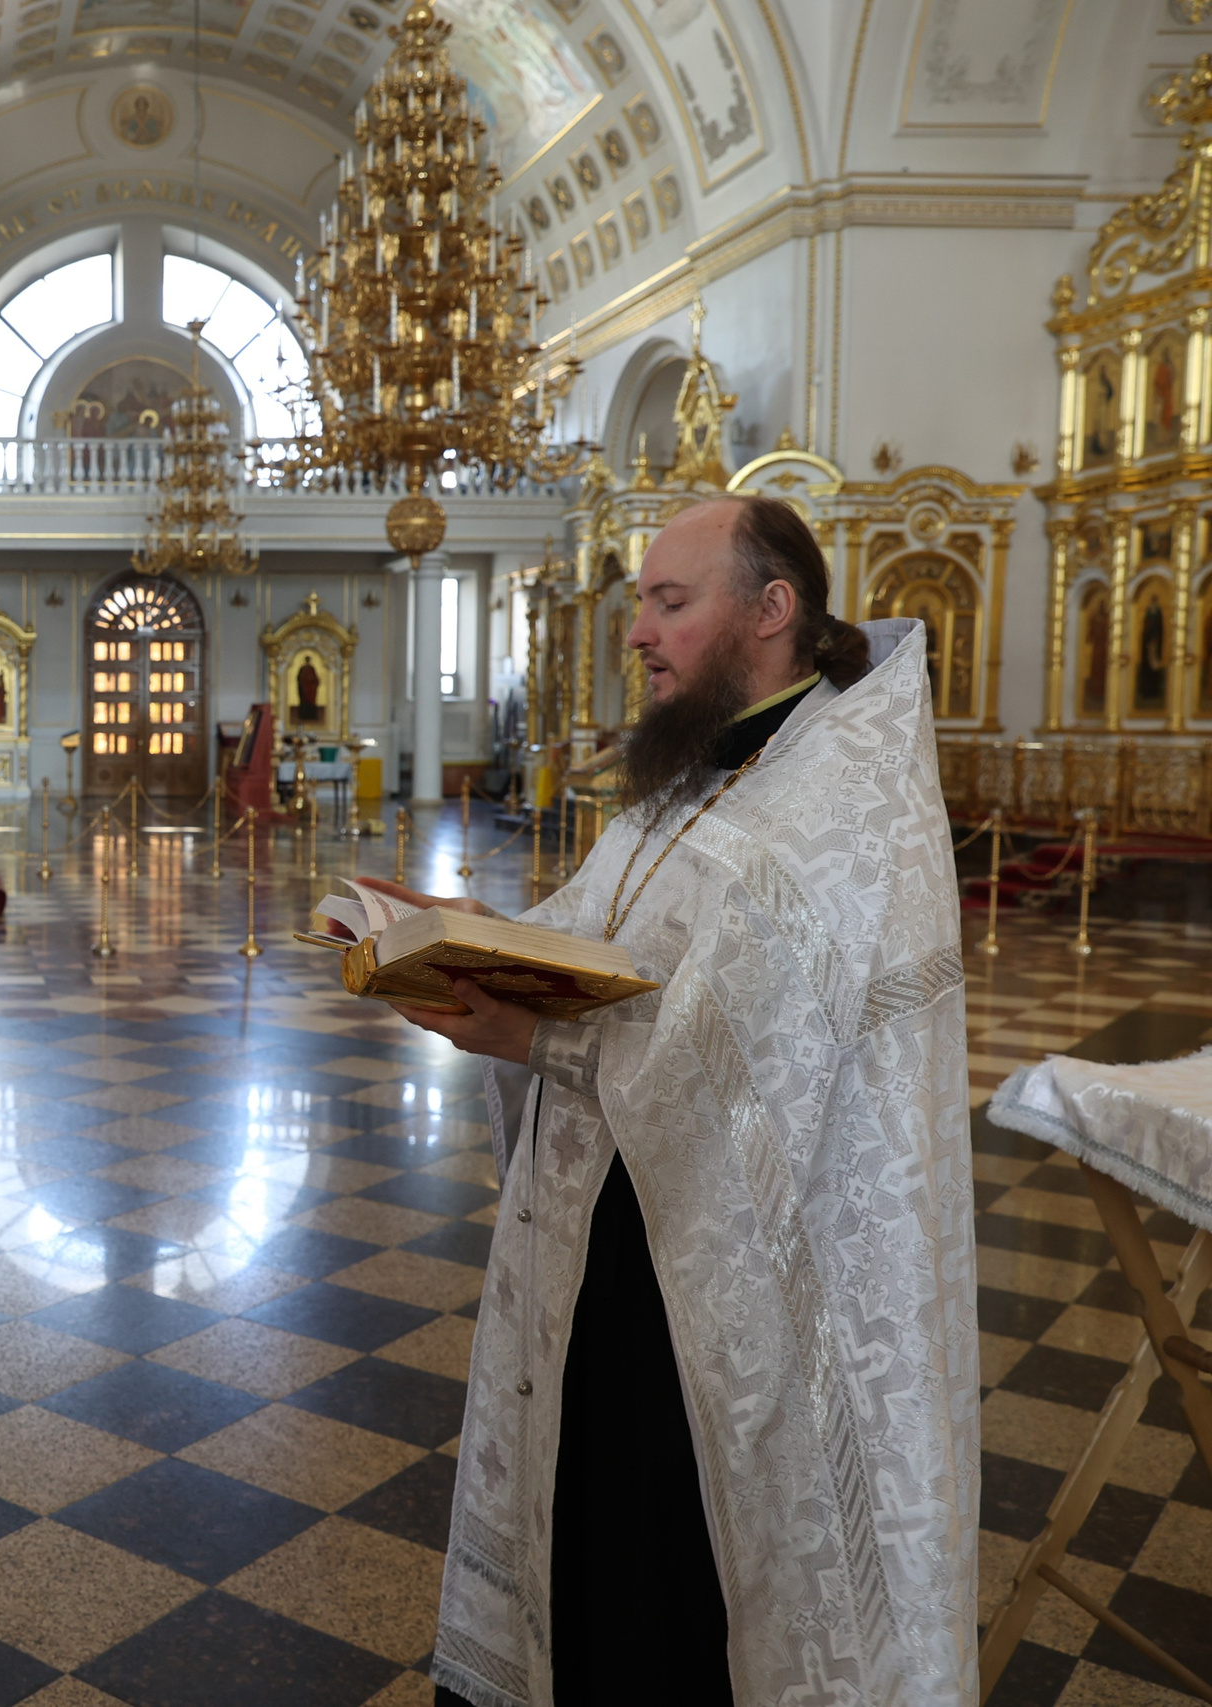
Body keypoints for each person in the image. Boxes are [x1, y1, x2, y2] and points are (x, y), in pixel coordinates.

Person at [365, 495, 976, 1705]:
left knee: (680, 1571)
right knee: (602, 1537)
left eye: (668, 602)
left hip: (745, 1274)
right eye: (640, 602)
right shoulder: (694, 771)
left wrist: (544, 1040)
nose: (636, 631)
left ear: (771, 609)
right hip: (619, 1232)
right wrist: (473, 936)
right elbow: (612, 940)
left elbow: (766, 1058)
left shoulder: (840, 799)